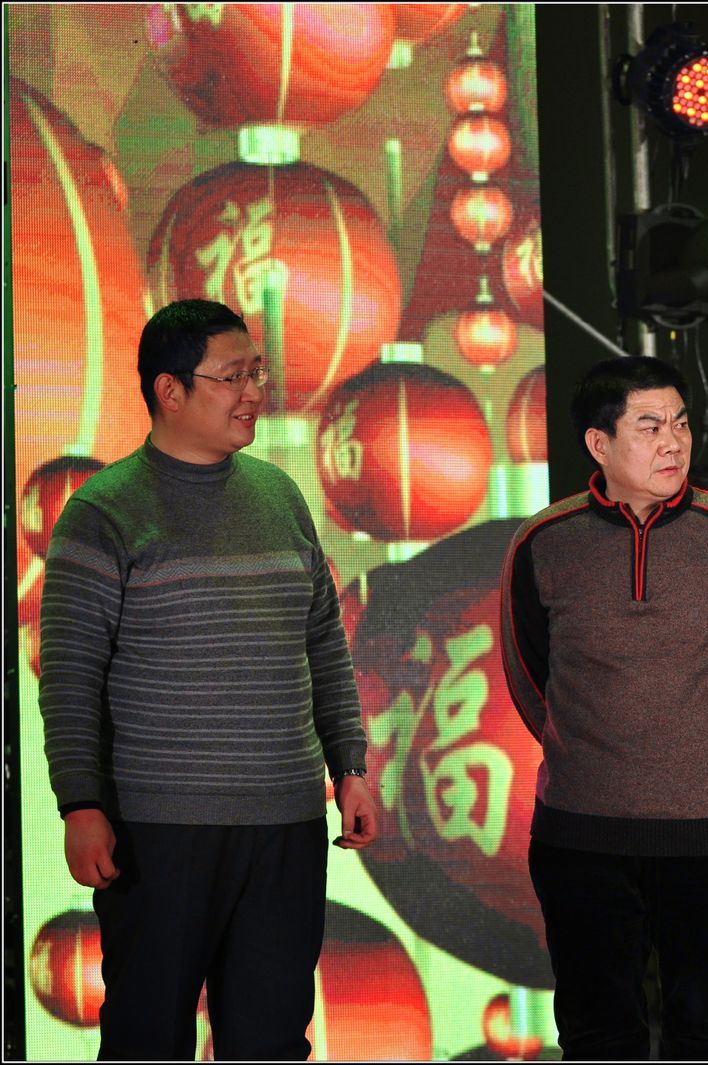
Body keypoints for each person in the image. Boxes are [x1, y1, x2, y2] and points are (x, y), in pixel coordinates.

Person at [38, 298, 378, 1060]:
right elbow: (69, 674)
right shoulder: (102, 512)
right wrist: (80, 803)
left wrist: (349, 765)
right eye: (233, 377)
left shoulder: (280, 495)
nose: (254, 391)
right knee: (148, 1036)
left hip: (286, 824)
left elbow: (323, 641)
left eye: (257, 372)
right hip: (158, 831)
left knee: (271, 1039)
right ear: (170, 390)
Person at [499, 355, 708, 1060]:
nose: (673, 442)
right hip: (582, 837)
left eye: (681, 423)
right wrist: (593, 752)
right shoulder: (544, 542)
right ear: (599, 444)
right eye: (650, 426)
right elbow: (529, 677)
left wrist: (701, 754)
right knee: (598, 1037)